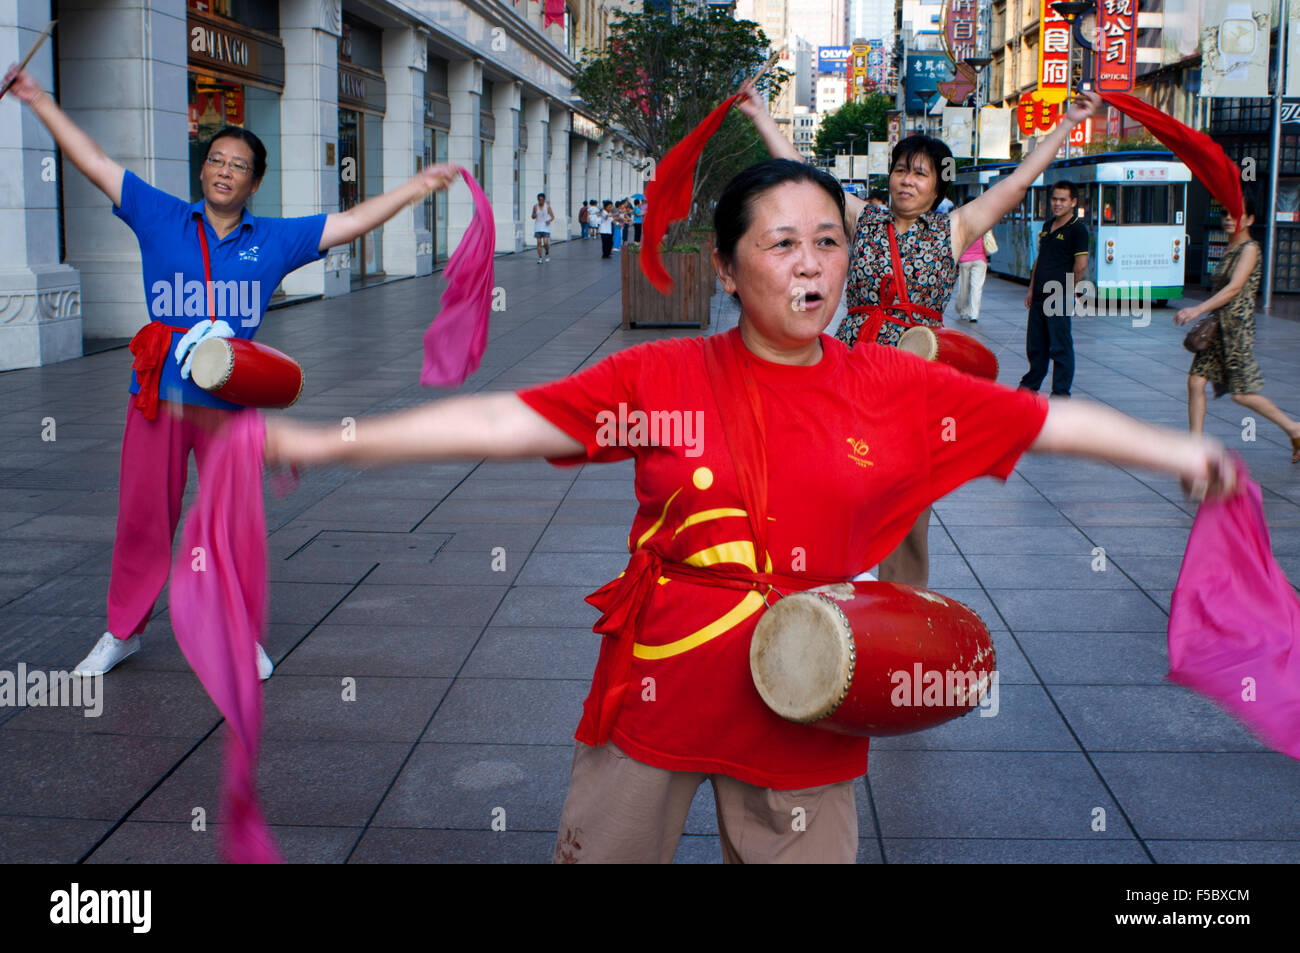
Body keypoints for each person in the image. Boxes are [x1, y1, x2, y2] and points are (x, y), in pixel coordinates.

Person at [264, 158, 1235, 864]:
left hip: (811, 678)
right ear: (726, 270)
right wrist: (329, 440)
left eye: (827, 242)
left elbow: (1038, 424)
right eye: (780, 243)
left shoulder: (890, 383)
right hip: (663, 673)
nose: (810, 264)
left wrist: (1175, 447)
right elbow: (511, 420)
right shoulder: (661, 373)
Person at [1, 63, 461, 678]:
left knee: (230, 525)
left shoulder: (273, 239)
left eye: (238, 165)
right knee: (143, 516)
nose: (224, 170)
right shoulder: (160, 215)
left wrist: (415, 188)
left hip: (230, 400)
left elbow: (352, 222)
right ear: (203, 168)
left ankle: (240, 633)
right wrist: (37, 98)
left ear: (255, 181)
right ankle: (122, 631)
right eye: (216, 159)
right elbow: (92, 160)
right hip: (157, 398)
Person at [739, 79, 1104, 589]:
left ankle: (899, 617)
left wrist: (1067, 122)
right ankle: (818, 600)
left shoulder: (954, 228)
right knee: (832, 485)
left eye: (920, 173)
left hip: (916, 385)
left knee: (909, 513)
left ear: (938, 186)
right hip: (850, 370)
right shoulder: (861, 216)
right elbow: (803, 175)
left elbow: (1018, 181)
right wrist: (760, 116)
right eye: (901, 170)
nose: (906, 181)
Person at [1175, 196, 1300, 462]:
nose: (1229, 219)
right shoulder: (1231, 248)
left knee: (1243, 395)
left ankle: (1295, 428)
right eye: (1226, 213)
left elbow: (1233, 288)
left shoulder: (1249, 249)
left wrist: (1196, 310)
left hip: (1235, 331)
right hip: (1217, 329)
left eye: (1237, 214)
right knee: (1195, 381)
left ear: (1251, 220)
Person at [1020, 181, 1088, 398]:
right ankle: (1029, 387)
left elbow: (1081, 265)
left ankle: (1060, 393)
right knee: (1036, 346)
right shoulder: (1048, 225)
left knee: (1060, 347)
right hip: (1039, 295)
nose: (1057, 204)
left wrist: (1072, 291)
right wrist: (1031, 288)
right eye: (1054, 199)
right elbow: (1040, 258)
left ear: (1073, 202)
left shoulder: (1078, 229)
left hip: (1059, 295)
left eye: (1062, 200)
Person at [954, 229, 990, 323]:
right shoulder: (983, 224)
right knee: (977, 288)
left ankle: (963, 311)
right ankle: (974, 315)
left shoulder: (964, 226)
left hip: (965, 260)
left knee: (964, 287)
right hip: (980, 260)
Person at [531, 192, 554, 262]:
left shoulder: (547, 206)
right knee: (538, 243)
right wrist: (534, 215)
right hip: (538, 227)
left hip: (546, 227)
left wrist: (549, 220)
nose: (540, 201)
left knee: (546, 243)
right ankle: (540, 258)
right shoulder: (535, 206)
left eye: (541, 200)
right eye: (539, 200)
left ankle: (547, 253)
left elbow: (553, 216)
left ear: (544, 200)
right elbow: (532, 216)